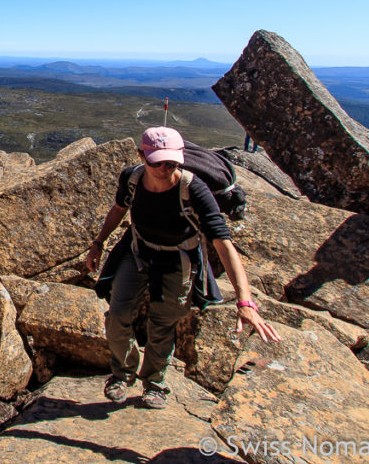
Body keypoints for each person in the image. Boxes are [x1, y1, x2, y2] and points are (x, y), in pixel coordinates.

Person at [85, 126, 281, 409]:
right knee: (118, 314)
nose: (165, 169)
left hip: (177, 260)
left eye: (173, 162)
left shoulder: (194, 189)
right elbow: (119, 209)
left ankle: (154, 383)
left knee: (163, 323)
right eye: (157, 162)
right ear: (142, 155)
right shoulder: (132, 178)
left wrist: (245, 302)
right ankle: (122, 373)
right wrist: (98, 243)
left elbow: (224, 244)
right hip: (138, 250)